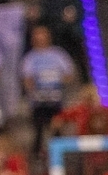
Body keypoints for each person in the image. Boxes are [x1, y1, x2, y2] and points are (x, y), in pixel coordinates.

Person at [19, 24, 78, 156]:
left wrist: (55, 81)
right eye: (37, 37)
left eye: (43, 36)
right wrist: (36, 89)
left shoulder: (58, 54)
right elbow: (27, 80)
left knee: (57, 130)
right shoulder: (30, 58)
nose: (40, 40)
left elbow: (69, 75)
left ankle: (60, 156)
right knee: (38, 131)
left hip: (56, 100)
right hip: (38, 102)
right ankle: (37, 156)